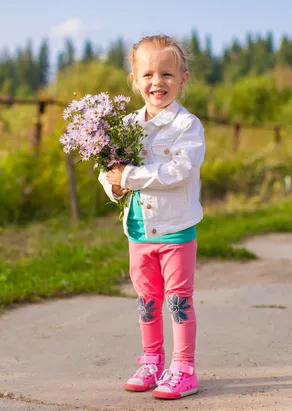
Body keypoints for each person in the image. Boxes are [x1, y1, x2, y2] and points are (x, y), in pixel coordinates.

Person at [98, 34, 205, 400]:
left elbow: (180, 171)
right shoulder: (126, 125)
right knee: (146, 298)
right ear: (134, 79)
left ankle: (184, 367)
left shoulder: (186, 126)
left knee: (177, 298)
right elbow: (107, 169)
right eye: (147, 75)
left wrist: (130, 177)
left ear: (183, 79)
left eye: (167, 75)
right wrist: (115, 185)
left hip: (175, 229)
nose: (156, 82)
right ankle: (152, 361)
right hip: (138, 230)